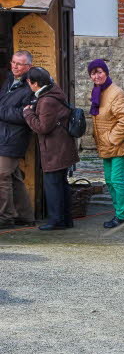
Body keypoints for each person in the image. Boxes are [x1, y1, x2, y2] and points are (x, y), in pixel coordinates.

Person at [22, 67, 80, 231]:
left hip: (55, 150)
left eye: (29, 82)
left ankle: (56, 221)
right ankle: (65, 219)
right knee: (61, 185)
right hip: (61, 147)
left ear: (34, 83)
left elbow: (43, 127)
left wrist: (28, 114)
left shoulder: (47, 100)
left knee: (53, 185)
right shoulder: (54, 91)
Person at [87, 59, 124, 229]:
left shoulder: (115, 93)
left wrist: (111, 138)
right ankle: (118, 212)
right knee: (108, 181)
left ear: (106, 73)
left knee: (117, 180)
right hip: (106, 145)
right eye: (93, 73)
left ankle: (123, 216)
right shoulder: (97, 92)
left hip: (119, 145)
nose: (97, 75)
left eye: (100, 71)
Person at [0, 50, 35, 229]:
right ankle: (25, 216)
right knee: (13, 177)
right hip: (3, 135)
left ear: (28, 66)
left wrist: (1, 111)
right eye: (13, 62)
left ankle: (5, 218)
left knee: (2, 176)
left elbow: (24, 115)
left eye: (19, 64)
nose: (15, 66)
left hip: (15, 138)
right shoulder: (9, 80)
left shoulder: (30, 85)